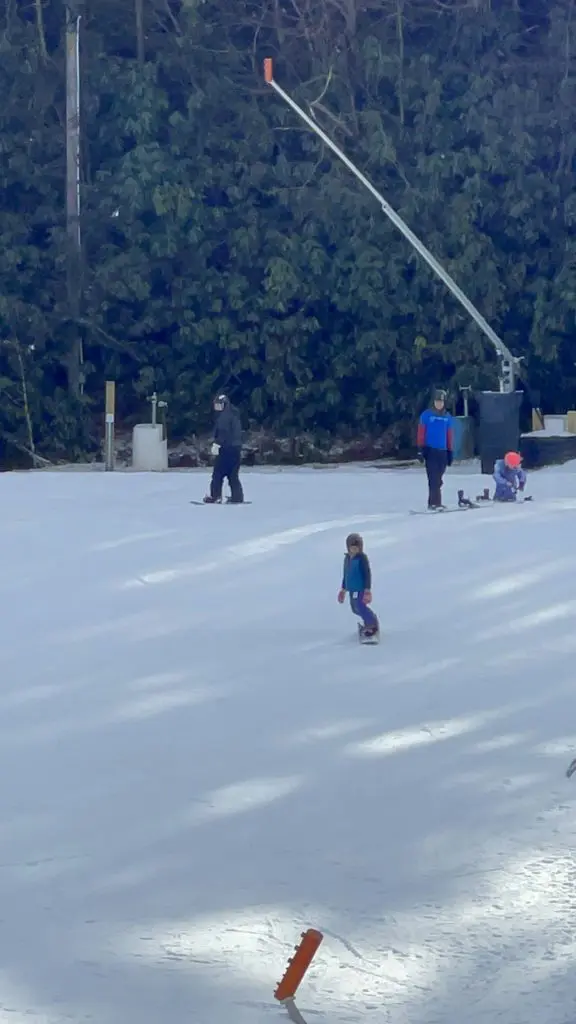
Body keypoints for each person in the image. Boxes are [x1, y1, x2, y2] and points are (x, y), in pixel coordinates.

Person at [416, 389, 454, 509]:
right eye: (437, 401)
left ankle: (436, 501)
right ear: (433, 402)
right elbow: (421, 433)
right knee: (433, 477)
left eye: (441, 402)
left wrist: (450, 451)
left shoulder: (447, 417)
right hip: (430, 450)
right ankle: (433, 503)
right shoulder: (426, 415)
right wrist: (420, 449)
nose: (439, 404)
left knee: (439, 478)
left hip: (442, 451)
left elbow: (449, 435)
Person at [203, 394, 244, 504]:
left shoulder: (223, 417)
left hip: (226, 449)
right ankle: (237, 497)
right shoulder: (234, 414)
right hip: (236, 449)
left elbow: (223, 432)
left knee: (218, 474)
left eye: (218, 405)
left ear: (224, 405)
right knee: (233, 475)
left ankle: (215, 496)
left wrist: (217, 444)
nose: (216, 407)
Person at [337, 533, 379, 637]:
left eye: (357, 548)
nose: (354, 550)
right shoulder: (347, 559)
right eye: (352, 548)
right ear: (348, 548)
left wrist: (367, 589)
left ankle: (372, 624)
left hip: (360, 588)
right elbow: (346, 574)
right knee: (354, 608)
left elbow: (367, 574)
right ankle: (368, 620)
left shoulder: (362, 559)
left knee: (360, 606)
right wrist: (343, 589)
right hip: (352, 589)